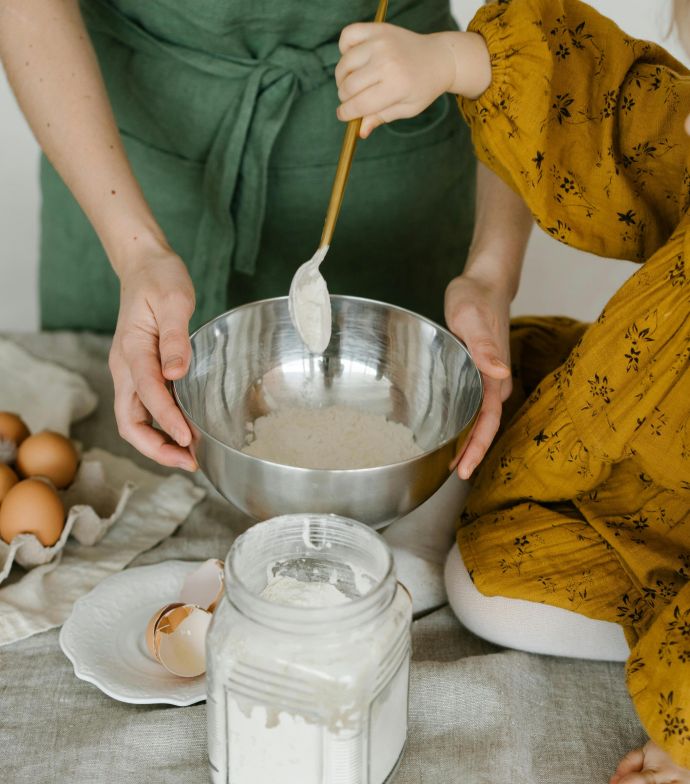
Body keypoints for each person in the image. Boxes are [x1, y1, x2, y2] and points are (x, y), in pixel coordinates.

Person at [334, 0, 690, 781]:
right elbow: (619, 112)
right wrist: (457, 63)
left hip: (672, 527)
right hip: (617, 417)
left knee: (487, 593)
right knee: (501, 368)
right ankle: (433, 524)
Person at [0, 0, 531, 476]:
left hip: (390, 163)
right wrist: (137, 252)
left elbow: (544, 37)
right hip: (122, 160)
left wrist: (492, 272)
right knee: (109, 451)